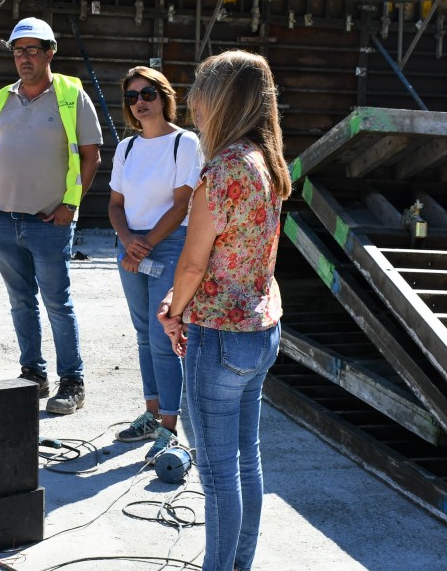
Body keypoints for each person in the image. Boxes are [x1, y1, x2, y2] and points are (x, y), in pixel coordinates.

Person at [157, 50, 291, 571]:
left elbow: (192, 266)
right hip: (260, 329)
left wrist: (173, 309)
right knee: (246, 463)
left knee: (217, 477)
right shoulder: (266, 162)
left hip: (218, 335)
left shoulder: (222, 169)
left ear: (222, 99)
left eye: (199, 90)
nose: (191, 100)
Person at [0, 17, 102, 415]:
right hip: (4, 220)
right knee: (20, 302)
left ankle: (72, 380)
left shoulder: (71, 94)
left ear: (50, 52)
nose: (25, 58)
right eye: (18, 50)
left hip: (49, 221)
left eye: (33, 49)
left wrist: (71, 205)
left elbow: (91, 156)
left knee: (56, 302)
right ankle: (33, 373)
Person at [108, 67, 203, 462]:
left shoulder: (185, 143)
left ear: (164, 97)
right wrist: (129, 242)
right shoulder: (126, 148)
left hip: (167, 245)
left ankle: (168, 425)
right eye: (132, 97)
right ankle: (151, 413)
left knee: (167, 335)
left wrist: (144, 244)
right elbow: (114, 205)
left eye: (147, 93)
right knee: (144, 333)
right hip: (131, 246)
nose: (140, 102)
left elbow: (182, 203)